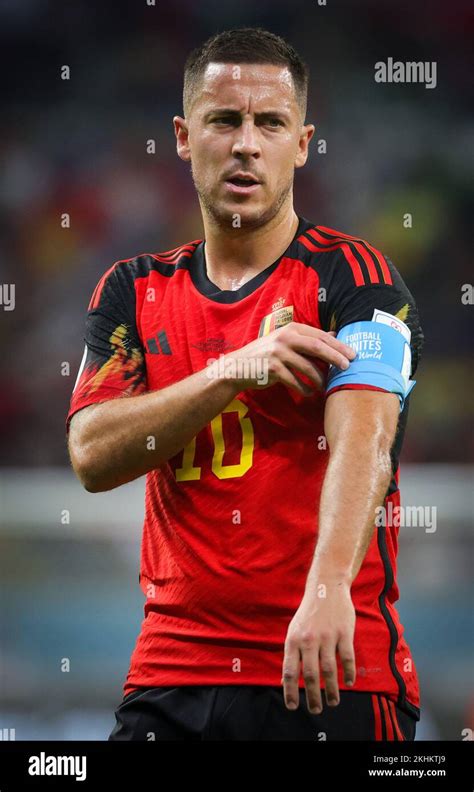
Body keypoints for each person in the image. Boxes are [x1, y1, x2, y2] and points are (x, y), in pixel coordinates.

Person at [66, 27, 424, 741]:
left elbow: (366, 446)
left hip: (329, 662)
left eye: (270, 123)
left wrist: (327, 592)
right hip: (171, 674)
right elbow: (91, 455)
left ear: (301, 142)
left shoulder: (356, 278)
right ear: (182, 134)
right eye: (224, 119)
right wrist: (231, 371)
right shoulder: (131, 290)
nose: (246, 144)